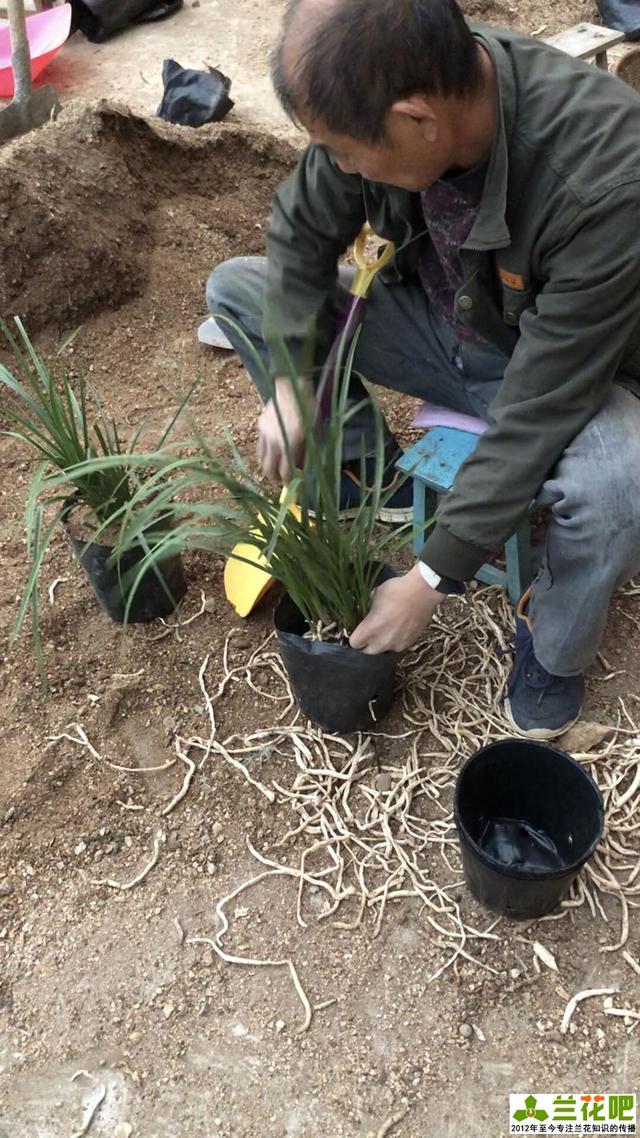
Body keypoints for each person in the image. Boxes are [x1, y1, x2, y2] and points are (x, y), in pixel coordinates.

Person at [206, 0, 640, 739]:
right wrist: (289, 378)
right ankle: (373, 474)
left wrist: (430, 578)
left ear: (416, 120)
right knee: (240, 290)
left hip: (561, 371)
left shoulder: (604, 180)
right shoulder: (380, 92)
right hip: (446, 325)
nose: (340, 166)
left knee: (619, 484)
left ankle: (551, 648)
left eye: (346, 152)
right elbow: (304, 228)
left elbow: (540, 406)